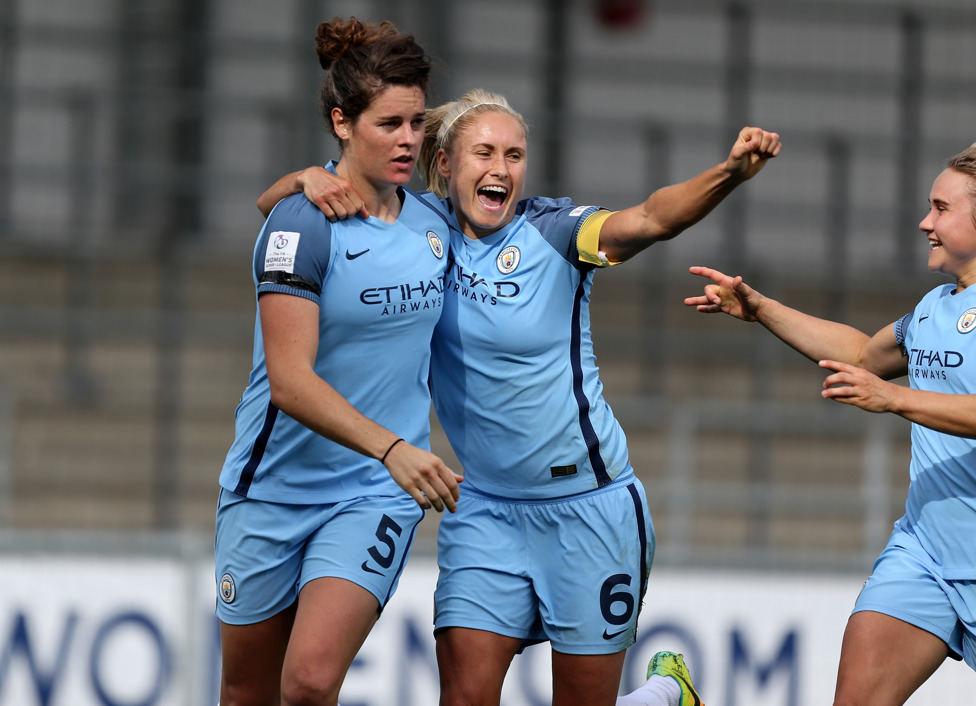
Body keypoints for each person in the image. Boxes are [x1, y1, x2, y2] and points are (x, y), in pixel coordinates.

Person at [259, 88, 781, 705]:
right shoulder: (414, 228)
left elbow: (649, 219)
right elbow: (274, 209)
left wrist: (727, 174)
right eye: (484, 153)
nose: (500, 169)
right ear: (446, 163)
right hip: (482, 510)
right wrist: (303, 179)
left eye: (515, 154)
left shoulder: (557, 234)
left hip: (588, 508)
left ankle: (666, 695)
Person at [215, 17, 463, 706]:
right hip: (271, 489)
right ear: (342, 122)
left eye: (417, 122)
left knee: (310, 681)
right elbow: (291, 383)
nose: (409, 139)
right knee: (247, 692)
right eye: (389, 123)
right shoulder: (301, 225)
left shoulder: (435, 223)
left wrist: (392, 457)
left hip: (374, 491)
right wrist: (295, 185)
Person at [683, 142, 976, 705]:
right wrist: (762, 308)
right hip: (925, 555)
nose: (924, 222)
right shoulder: (936, 306)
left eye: (940, 208)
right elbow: (865, 356)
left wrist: (894, 399)